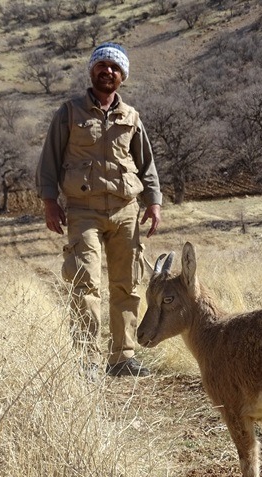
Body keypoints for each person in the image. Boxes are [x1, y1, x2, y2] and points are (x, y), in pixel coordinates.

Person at [35, 42, 162, 378]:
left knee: (128, 285)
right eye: (102, 66)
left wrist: (154, 202)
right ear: (91, 71)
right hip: (83, 211)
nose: (108, 71)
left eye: (115, 68)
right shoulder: (69, 112)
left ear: (122, 77)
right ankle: (88, 361)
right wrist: (50, 202)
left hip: (126, 211)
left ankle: (123, 358)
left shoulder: (131, 117)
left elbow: (146, 164)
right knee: (84, 283)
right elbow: (49, 160)